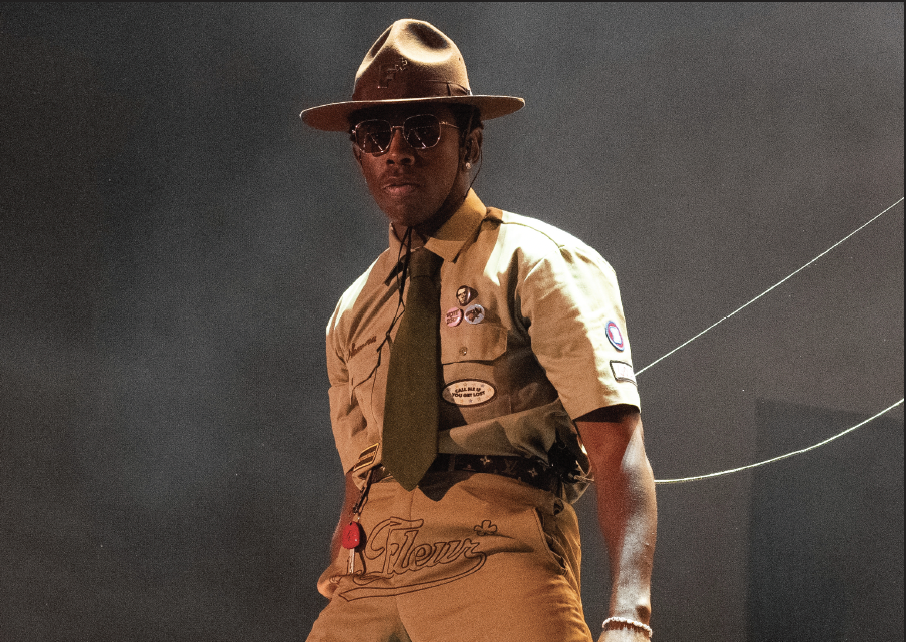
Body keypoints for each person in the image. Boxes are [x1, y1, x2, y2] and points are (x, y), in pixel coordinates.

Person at [301, 19, 657, 642]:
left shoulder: (536, 262)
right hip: (374, 574)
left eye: (422, 130)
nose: (396, 151)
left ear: (470, 144)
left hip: (495, 556)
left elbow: (618, 450)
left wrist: (629, 618)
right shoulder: (354, 309)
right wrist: (344, 571)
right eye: (373, 134)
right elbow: (359, 480)